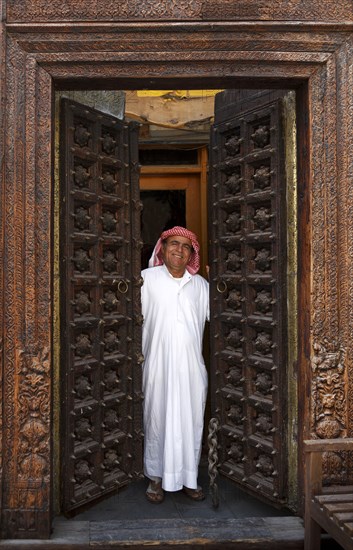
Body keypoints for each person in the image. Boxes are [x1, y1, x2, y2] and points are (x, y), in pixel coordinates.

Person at [141, 226, 209, 504]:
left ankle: (189, 478)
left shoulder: (201, 286)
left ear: (192, 252)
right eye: (173, 244)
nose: (179, 250)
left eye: (186, 246)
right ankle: (156, 478)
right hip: (157, 367)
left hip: (192, 370)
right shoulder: (145, 280)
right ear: (162, 248)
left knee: (191, 421)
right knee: (157, 418)